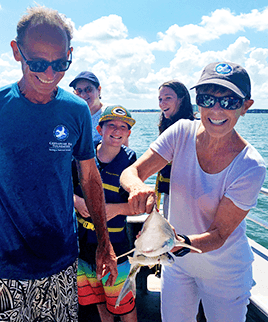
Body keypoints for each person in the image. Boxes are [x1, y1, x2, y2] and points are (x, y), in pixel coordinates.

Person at [120, 62, 266, 322]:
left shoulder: (250, 165)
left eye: (230, 101)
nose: (216, 109)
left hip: (226, 273)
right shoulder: (180, 132)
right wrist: (137, 187)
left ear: (246, 106)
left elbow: (220, 234)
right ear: (197, 102)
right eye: (207, 98)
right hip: (178, 266)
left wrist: (178, 242)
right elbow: (131, 172)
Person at [0, 5, 117, 322]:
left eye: (60, 63)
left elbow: (90, 176)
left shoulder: (76, 110)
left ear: (70, 54)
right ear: (16, 52)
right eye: (37, 63)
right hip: (5, 265)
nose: (50, 75)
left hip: (61, 259)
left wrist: (104, 243)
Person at [73, 105, 138, 322]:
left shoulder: (131, 161)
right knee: (98, 299)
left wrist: (113, 209)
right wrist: (76, 200)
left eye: (123, 127)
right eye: (111, 125)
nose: (117, 130)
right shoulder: (83, 155)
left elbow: (139, 206)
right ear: (100, 129)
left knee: (123, 301)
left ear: (128, 133)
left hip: (116, 246)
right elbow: (62, 186)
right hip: (83, 245)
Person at [156, 80, 194, 217]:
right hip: (169, 193)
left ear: (182, 99)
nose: (162, 103)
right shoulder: (167, 127)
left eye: (168, 98)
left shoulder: (193, 128)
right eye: (160, 99)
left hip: (188, 197)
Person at [69, 71, 104, 147]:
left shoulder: (110, 114)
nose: (83, 95)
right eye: (78, 91)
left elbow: (123, 149)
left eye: (88, 89)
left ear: (99, 90)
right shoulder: (71, 117)